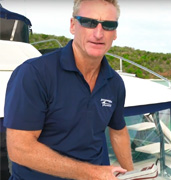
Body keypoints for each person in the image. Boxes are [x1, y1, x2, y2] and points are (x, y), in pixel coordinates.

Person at [4, 0, 134, 179]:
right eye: (89, 22)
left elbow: (119, 132)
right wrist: (92, 173)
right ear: (73, 25)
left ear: (115, 33)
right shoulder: (34, 74)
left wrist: (133, 175)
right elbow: (20, 149)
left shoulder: (115, 83)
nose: (98, 33)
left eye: (108, 25)